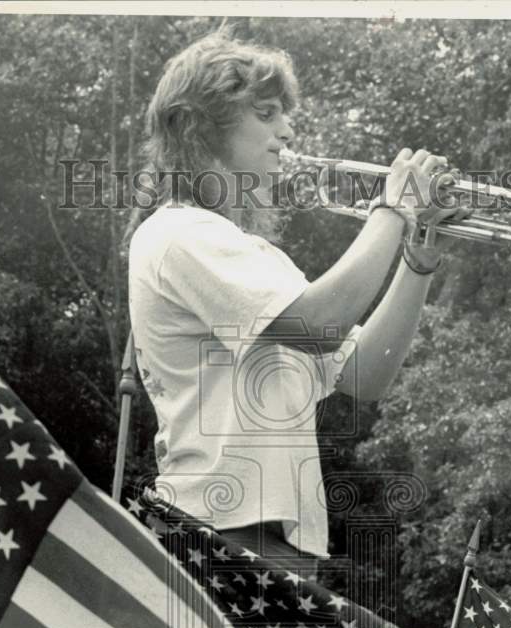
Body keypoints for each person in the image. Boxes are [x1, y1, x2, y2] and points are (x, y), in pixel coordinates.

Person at [127, 31, 465, 577]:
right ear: (199, 126)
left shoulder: (256, 257)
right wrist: (393, 211)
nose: (286, 131)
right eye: (265, 114)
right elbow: (321, 324)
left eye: (284, 114)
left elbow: (364, 376)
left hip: (276, 541)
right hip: (220, 532)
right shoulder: (177, 232)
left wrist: (418, 257)